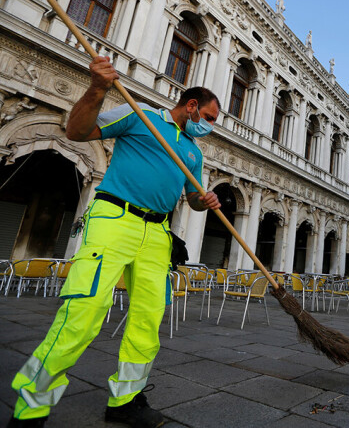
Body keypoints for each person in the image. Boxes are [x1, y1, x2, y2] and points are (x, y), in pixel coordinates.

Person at [8, 56, 221, 428]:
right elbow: (77, 131)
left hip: (158, 233)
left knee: (147, 319)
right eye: (210, 118)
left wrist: (203, 201)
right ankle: (31, 407)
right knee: (82, 314)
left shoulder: (194, 152)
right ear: (191, 106)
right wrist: (97, 88)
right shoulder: (139, 116)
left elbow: (191, 198)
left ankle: (126, 400)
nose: (210, 127)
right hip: (114, 219)